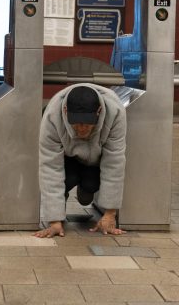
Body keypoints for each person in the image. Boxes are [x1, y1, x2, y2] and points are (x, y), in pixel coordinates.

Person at [34, 83, 127, 238]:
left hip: (96, 160)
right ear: (65, 111)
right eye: (76, 122)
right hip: (68, 157)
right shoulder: (52, 116)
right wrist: (54, 221)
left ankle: (85, 189)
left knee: (90, 186)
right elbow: (50, 168)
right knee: (66, 179)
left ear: (99, 111)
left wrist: (110, 214)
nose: (82, 128)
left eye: (87, 122)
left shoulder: (115, 113)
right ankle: (59, 214)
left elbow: (114, 162)